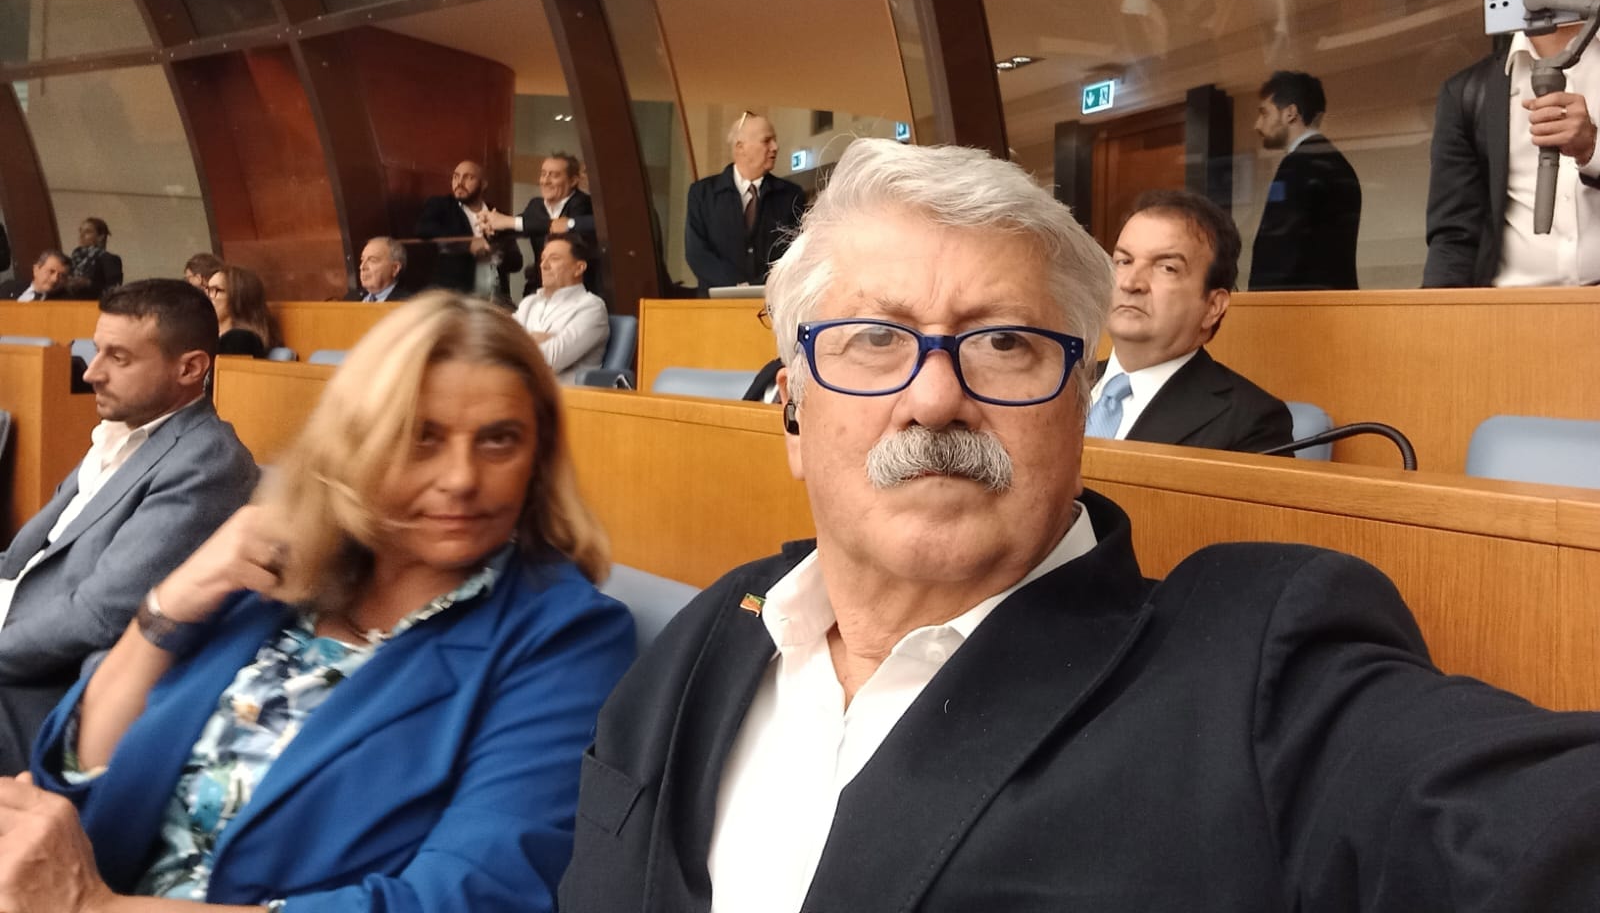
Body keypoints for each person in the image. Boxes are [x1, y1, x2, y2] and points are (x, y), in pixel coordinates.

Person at [560, 138, 1600, 912]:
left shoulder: (1259, 671)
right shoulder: (711, 633)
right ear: (793, 412)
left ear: (1076, 406)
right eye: (875, 340)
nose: (934, 399)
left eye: (1004, 344)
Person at [1, 292, 634, 911]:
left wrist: (90, 905)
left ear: (537, 456)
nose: (463, 478)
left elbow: (467, 896)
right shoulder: (282, 572)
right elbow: (82, 779)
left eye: (499, 440)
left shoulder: (564, 636)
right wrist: (164, 610)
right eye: (422, 437)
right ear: (355, 444)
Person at [0, 279, 257, 774]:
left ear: (190, 368)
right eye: (97, 350)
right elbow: (28, 558)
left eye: (118, 358)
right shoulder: (122, 433)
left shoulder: (206, 463)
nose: (91, 372)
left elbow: (97, 617)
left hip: (45, 685)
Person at [1425, 0, 1600, 286]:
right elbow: (1455, 236)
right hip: (1513, 311)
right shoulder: (1468, 93)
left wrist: (1593, 149)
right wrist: (1436, 319)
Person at [1090, 190, 1292, 453]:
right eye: (1124, 261)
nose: (1130, 283)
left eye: (1167, 268)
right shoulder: (1059, 381)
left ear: (1213, 307)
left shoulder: (1253, 423)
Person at [1249, 70, 1362, 290]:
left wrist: (1259, 303)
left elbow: (1276, 252)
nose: (1257, 125)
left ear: (1290, 113)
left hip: (1297, 304)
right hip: (1331, 302)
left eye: (1264, 113)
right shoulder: (1337, 164)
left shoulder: (1298, 165)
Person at [684, 112, 806, 293]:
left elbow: (794, 253)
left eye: (774, 140)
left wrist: (757, 286)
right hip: (715, 304)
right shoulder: (702, 194)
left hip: (770, 301)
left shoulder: (791, 196)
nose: (775, 147)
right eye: (766, 141)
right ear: (740, 147)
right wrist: (735, 286)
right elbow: (697, 253)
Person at [415, 158, 523, 301]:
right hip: (455, 297)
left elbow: (516, 262)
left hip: (494, 299)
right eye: (456, 177)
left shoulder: (497, 214)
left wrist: (496, 253)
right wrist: (468, 244)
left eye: (468, 177)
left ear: (483, 184)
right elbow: (423, 229)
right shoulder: (442, 206)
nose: (459, 183)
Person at [513, 235, 609, 384]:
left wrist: (518, 342)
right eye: (543, 258)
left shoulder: (592, 307)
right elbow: (497, 343)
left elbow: (550, 360)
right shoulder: (529, 303)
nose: (543, 265)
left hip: (562, 395)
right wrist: (534, 339)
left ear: (579, 268)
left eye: (554, 259)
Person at [480, 152, 596, 262]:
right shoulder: (536, 205)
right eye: (543, 174)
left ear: (573, 181)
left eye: (554, 175)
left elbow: (558, 229)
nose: (545, 181)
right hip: (542, 275)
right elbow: (520, 228)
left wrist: (509, 221)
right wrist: (491, 227)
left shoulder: (584, 203)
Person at [203, 263, 276, 358]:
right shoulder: (204, 334)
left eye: (216, 290)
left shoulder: (241, 339)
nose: (207, 296)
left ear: (239, 298)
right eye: (207, 290)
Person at [65, 217, 124, 299]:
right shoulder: (75, 258)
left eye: (87, 232)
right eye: (80, 231)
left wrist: (88, 283)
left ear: (101, 236)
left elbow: (114, 291)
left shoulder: (109, 259)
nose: (81, 235)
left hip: (96, 304)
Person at [346, 235, 412, 302]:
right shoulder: (350, 298)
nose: (362, 267)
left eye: (372, 260)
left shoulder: (409, 303)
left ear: (395, 268)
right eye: (362, 260)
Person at [0, 249, 69, 301]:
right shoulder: (8, 288)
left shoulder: (65, 302)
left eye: (62, 276)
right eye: (51, 271)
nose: (55, 279)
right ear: (36, 270)